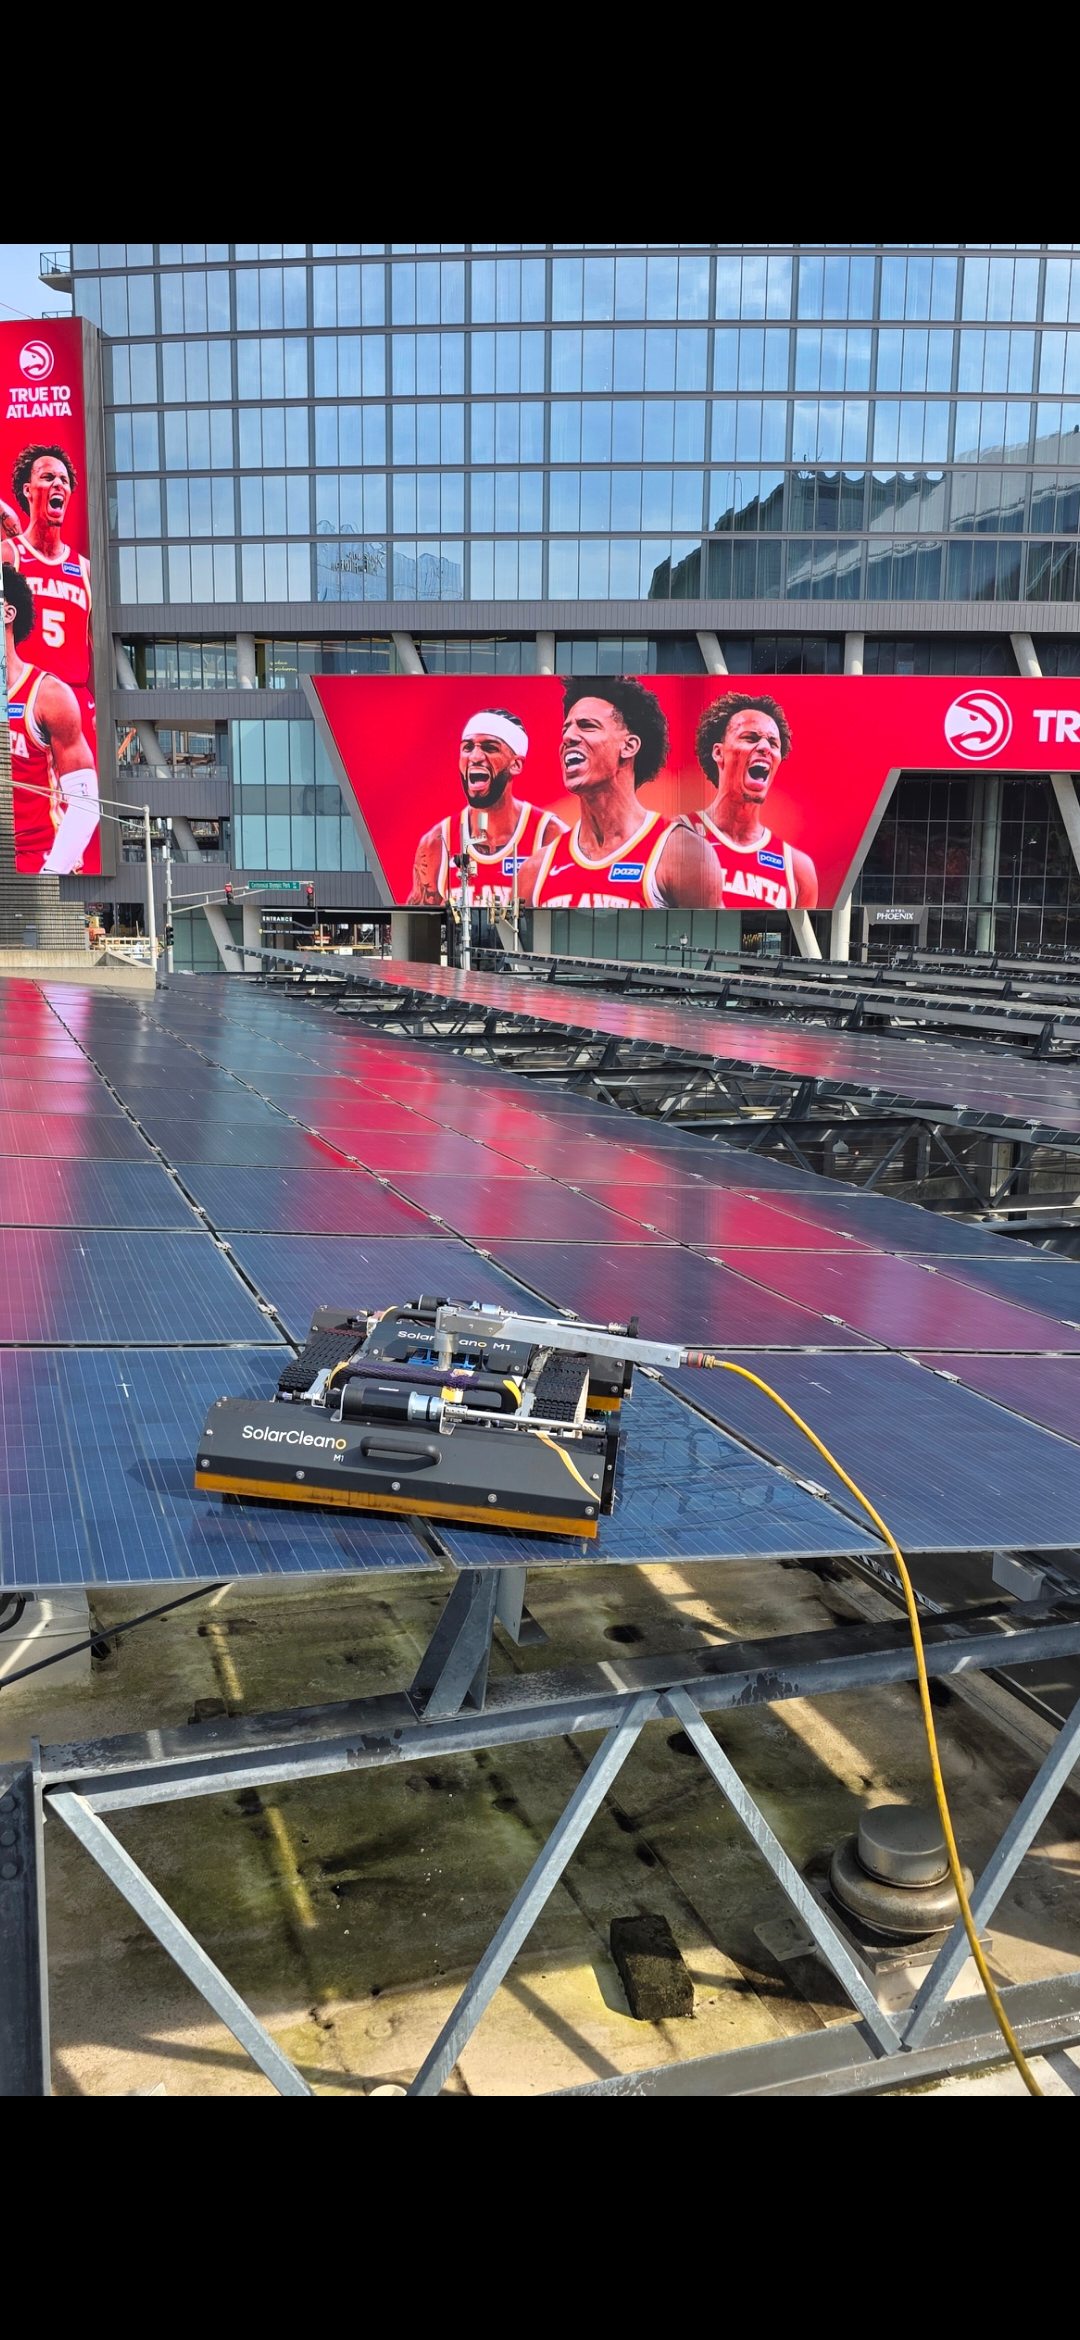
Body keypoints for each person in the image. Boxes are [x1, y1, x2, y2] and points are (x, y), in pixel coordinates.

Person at [522, 678, 723, 910]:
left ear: (629, 746)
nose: (568, 737)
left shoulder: (681, 853)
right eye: (566, 728)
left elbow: (709, 939)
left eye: (587, 725)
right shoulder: (535, 870)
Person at [407, 708, 565, 909]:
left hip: (522, 941)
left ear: (515, 764)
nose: (475, 756)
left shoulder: (549, 835)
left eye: (489, 748)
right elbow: (420, 924)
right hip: (463, 941)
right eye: (468, 747)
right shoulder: (437, 842)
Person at [3, 562, 100, 874]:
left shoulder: (47, 694)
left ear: (8, 612)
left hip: (38, 860)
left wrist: (53, 872)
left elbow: (86, 804)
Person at [693, 690, 818, 909]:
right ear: (718, 752)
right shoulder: (672, 837)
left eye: (773, 743)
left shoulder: (798, 868)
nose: (764, 748)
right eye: (750, 738)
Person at [4, 444, 93, 696]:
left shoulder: (85, 569)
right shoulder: (10, 555)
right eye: (48, 477)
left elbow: (100, 652)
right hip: (23, 699)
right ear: (28, 490)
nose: (58, 484)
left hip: (75, 698)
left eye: (64, 480)